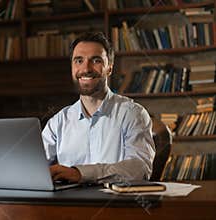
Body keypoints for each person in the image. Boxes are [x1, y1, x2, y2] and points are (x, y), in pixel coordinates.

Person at [42, 32, 155, 184]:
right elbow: (34, 167)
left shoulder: (133, 114)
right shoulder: (58, 122)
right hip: (68, 205)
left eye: (96, 60)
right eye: (78, 60)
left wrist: (80, 174)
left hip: (116, 204)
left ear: (109, 68)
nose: (86, 68)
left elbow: (139, 168)